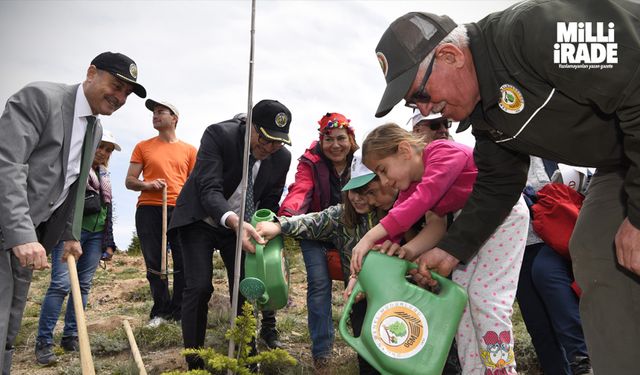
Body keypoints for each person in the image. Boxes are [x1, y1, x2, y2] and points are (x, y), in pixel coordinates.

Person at [372, 3, 640, 372]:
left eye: (421, 94)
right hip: (624, 158)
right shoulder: (487, 116)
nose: (427, 110)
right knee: (596, 247)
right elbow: (498, 185)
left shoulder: (534, 32)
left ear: (449, 55)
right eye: (414, 104)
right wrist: (450, 252)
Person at [0, 51, 145, 373]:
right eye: (116, 85)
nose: (120, 97)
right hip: (11, 227)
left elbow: (74, 186)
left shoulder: (93, 127)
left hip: (34, 233)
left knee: (10, 321)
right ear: (91, 72)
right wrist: (22, 235)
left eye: (127, 93)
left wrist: (68, 233)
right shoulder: (40, 99)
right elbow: (7, 166)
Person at [350, 124, 528, 375]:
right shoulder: (413, 183)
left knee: (486, 299)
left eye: (382, 170)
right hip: (467, 228)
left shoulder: (442, 153)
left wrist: (369, 237)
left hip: (503, 216)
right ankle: (475, 370)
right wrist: (361, 275)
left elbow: (423, 198)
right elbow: (409, 223)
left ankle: (501, 369)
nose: (385, 181)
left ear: (403, 150)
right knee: (461, 301)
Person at [168, 99, 292, 370]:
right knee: (199, 286)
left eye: (278, 142)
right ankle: (196, 361)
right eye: (265, 139)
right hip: (200, 219)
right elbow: (208, 188)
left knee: (247, 284)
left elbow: (270, 201)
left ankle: (248, 355)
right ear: (251, 127)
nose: (270, 148)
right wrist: (233, 220)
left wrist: (262, 226)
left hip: (241, 227)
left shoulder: (281, 158)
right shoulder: (219, 135)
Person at [257, 149, 398, 375]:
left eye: (366, 191)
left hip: (394, 295)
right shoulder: (342, 216)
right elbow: (312, 221)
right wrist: (279, 226)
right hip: (360, 296)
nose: (359, 198)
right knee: (367, 346)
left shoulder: (397, 211)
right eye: (354, 191)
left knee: (395, 342)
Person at [35, 130, 121, 365]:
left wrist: (109, 242)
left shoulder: (104, 175)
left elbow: (106, 210)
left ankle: (71, 336)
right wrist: (66, 232)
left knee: (82, 286)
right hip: (69, 232)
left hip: (95, 235)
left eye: (108, 149)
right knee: (61, 284)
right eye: (100, 146)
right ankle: (44, 342)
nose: (103, 152)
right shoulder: (74, 169)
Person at [278, 112, 358, 366]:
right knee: (319, 284)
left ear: (351, 138)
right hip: (316, 230)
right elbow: (300, 191)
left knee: (358, 284)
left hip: (351, 229)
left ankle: (364, 345)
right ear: (321, 141)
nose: (335, 145)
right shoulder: (310, 162)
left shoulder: (361, 161)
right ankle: (322, 352)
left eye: (341, 138)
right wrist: (286, 218)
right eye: (329, 139)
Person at [517, 157, 592, 375]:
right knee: (538, 325)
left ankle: (583, 358)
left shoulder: (556, 148)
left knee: (548, 276)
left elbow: (588, 186)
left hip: (559, 240)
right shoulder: (494, 157)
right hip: (520, 249)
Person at [125, 99, 197, 327]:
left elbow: (194, 184)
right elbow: (129, 181)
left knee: (182, 261)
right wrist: (147, 185)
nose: (155, 116)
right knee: (155, 263)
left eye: (160, 112)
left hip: (179, 209)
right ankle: (160, 311)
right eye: (153, 113)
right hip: (149, 208)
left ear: (174, 118)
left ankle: (178, 311)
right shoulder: (143, 146)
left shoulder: (189, 150)